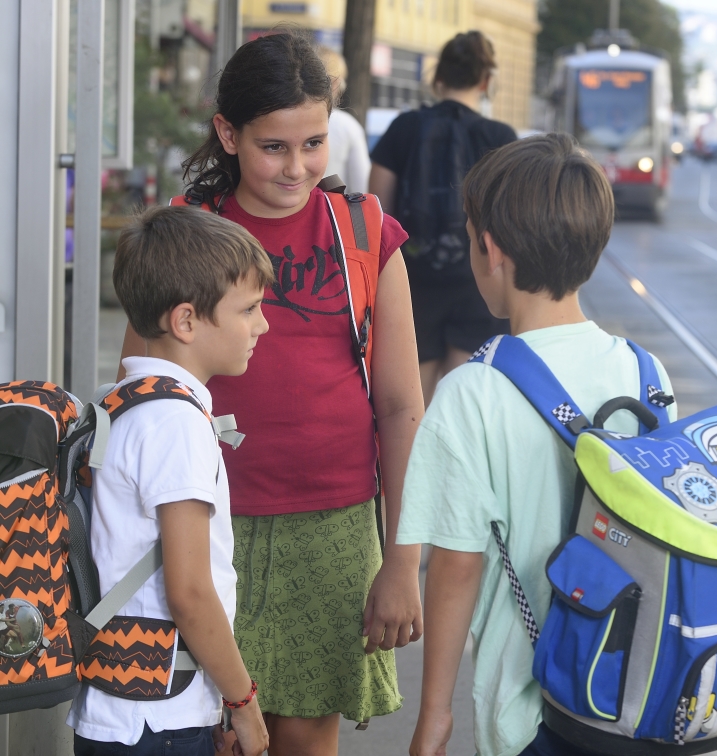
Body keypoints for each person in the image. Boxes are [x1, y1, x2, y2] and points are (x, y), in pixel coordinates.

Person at [118, 30, 424, 756]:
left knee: (304, 735)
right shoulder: (189, 234)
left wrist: (401, 560)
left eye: (313, 143)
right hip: (204, 528)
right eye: (274, 147)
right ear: (228, 133)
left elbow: (402, 407)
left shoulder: (364, 230)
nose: (297, 167)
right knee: (212, 730)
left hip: (336, 528)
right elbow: (141, 391)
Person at [396, 134, 677, 756]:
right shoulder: (646, 376)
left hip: (532, 714)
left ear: (489, 249)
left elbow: (456, 566)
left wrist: (434, 715)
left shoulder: (472, 392)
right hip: (633, 698)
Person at [67, 205, 272, 756]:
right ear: (185, 321)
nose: (262, 324)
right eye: (249, 309)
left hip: (117, 704)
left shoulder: (122, 405)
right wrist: (243, 703)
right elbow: (189, 590)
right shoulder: (177, 424)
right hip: (162, 721)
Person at [369, 30, 517, 406]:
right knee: (459, 404)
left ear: (439, 77)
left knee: (408, 406)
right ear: (485, 81)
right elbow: (513, 222)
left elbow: (377, 212)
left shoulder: (404, 127)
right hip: (479, 284)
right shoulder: (501, 137)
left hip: (411, 283)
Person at [318, 47, 371, 193]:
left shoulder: (286, 118)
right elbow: (362, 187)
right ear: (336, 82)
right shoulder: (348, 126)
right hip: (333, 211)